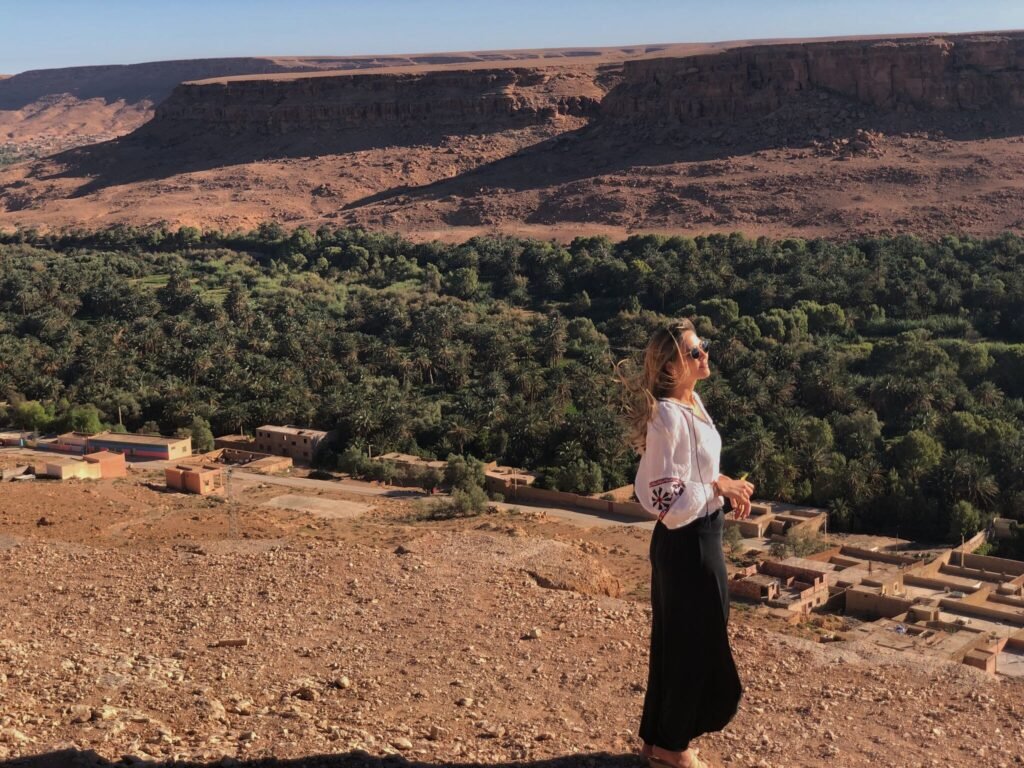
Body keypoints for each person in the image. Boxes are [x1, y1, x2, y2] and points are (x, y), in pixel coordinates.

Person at [617, 319, 754, 768]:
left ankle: (658, 740)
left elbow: (693, 473)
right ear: (673, 367)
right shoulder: (667, 418)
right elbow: (661, 496)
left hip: (700, 536)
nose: (705, 355)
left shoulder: (691, 402)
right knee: (695, 642)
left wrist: (723, 483)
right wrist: (716, 491)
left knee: (679, 640)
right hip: (688, 542)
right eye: (695, 352)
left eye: (704, 347)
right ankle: (674, 748)